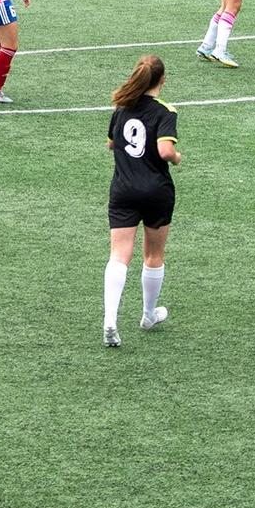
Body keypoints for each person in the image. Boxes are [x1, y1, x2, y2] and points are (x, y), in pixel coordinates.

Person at [102, 55, 180, 347]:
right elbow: (164, 151)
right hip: (156, 191)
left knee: (119, 254)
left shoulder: (122, 108)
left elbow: (111, 144)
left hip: (123, 189)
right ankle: (148, 314)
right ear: (162, 80)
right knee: (153, 255)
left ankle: (110, 319)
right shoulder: (165, 112)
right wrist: (177, 156)